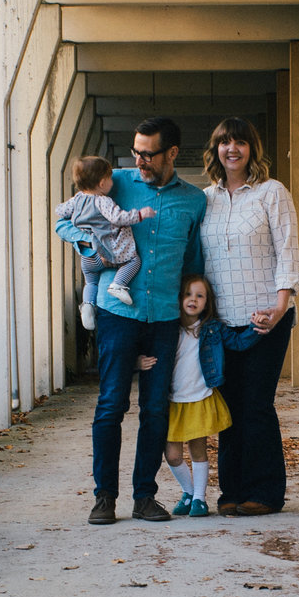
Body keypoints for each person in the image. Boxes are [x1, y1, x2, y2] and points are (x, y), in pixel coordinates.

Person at [54, 117, 209, 524]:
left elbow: (193, 262)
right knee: (111, 405)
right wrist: (86, 241)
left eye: (148, 153)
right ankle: (104, 497)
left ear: (171, 153)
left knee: (155, 409)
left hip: (163, 318)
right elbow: (62, 220)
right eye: (135, 151)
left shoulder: (194, 201)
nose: (139, 160)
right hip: (117, 311)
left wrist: (195, 316)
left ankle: (145, 497)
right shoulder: (113, 181)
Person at [197, 115, 299, 515]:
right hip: (220, 323)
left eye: (240, 142)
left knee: (256, 405)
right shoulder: (205, 200)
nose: (232, 149)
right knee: (227, 409)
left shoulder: (271, 193)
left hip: (265, 319)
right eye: (225, 142)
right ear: (216, 150)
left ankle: (264, 493)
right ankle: (231, 493)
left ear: (251, 149)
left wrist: (279, 306)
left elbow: (288, 250)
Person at [159, 274, 231, 516]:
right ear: (179, 298)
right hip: (173, 402)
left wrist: (258, 329)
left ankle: (200, 499)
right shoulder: (170, 329)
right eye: (188, 294)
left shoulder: (209, 329)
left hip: (198, 398)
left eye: (200, 296)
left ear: (207, 302)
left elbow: (237, 341)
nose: (193, 299)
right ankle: (188, 491)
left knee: (198, 450)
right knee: (172, 454)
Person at [55, 153, 155, 323]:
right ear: (102, 183)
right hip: (111, 251)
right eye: (109, 179)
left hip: (88, 257)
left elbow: (60, 211)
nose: (112, 182)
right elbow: (118, 217)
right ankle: (118, 284)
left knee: (91, 282)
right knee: (133, 261)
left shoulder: (77, 199)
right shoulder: (102, 201)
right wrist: (140, 214)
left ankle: (87, 305)